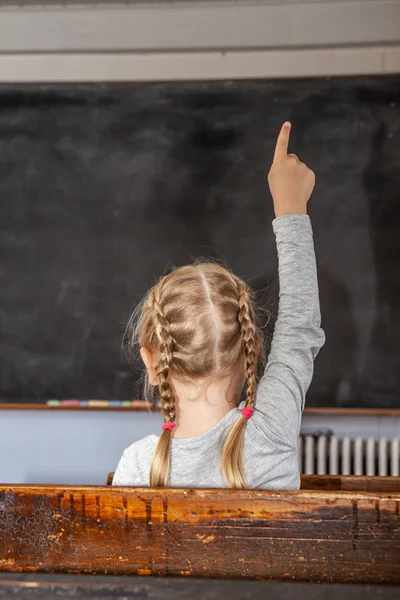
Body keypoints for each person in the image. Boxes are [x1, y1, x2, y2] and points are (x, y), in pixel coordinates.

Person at [112, 122, 325, 489]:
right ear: (251, 354)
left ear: (153, 360)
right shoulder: (269, 436)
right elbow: (298, 331)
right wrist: (291, 208)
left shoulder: (137, 467)